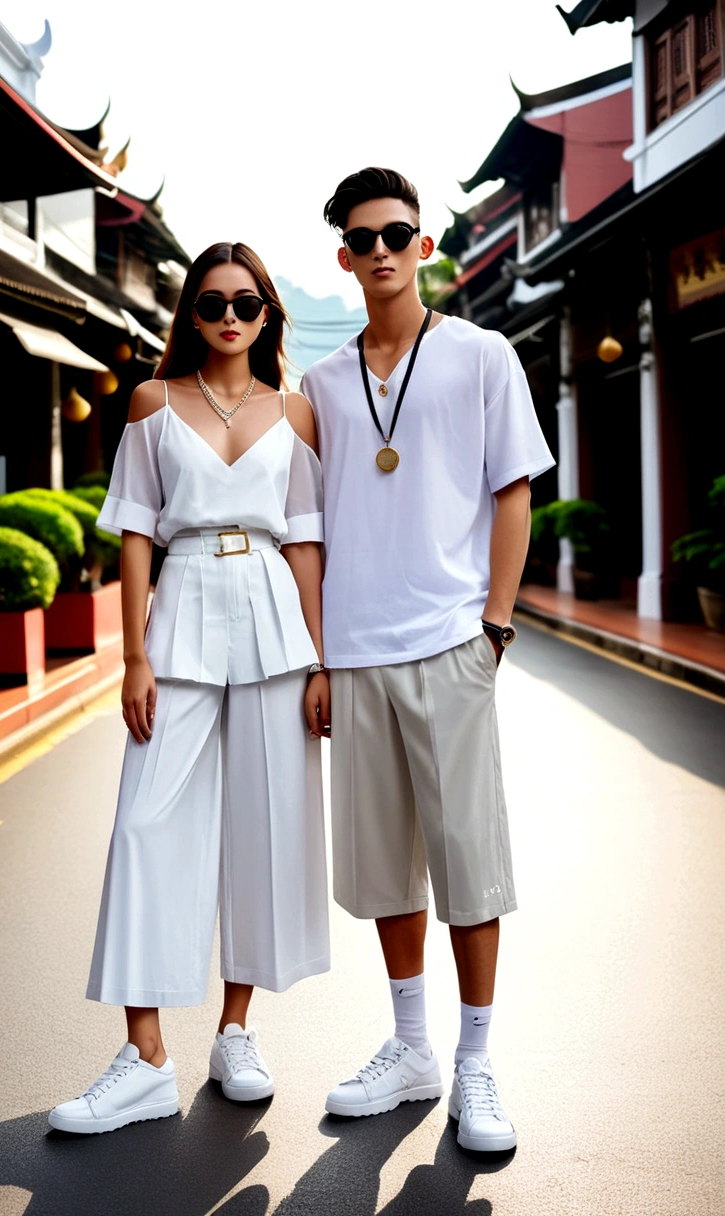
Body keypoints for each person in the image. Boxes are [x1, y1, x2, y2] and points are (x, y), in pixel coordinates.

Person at [49, 242, 331, 1135]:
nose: (230, 318)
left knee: (261, 828)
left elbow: (306, 544)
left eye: (247, 303)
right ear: (192, 312)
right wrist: (132, 656)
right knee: (143, 825)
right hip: (179, 624)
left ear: (267, 313)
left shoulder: (297, 413)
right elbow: (135, 535)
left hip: (275, 625)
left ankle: (235, 1032)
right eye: (213, 303)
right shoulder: (152, 403)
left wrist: (321, 660)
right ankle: (143, 1057)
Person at [300, 168, 554, 1152]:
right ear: (342, 256)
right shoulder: (319, 386)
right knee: (384, 869)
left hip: (451, 642)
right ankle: (408, 1048)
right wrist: (319, 657)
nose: (379, 251)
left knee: (468, 866)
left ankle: (475, 1062)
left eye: (396, 233)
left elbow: (511, 490)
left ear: (425, 244)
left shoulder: (481, 356)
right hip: (357, 654)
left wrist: (494, 621)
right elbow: (306, 528)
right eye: (361, 239)